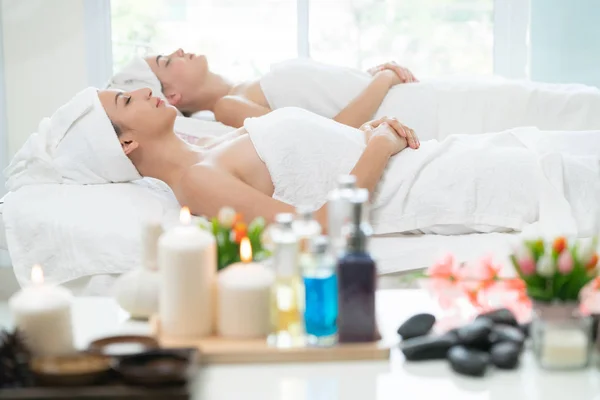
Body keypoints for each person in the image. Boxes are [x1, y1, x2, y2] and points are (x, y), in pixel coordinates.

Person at [7, 87, 599, 238]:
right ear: (125, 143)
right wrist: (376, 148)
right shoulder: (197, 182)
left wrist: (368, 134)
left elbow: (317, 156)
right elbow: (320, 233)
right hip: (456, 185)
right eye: (127, 101)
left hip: (468, 155)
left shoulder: (211, 141)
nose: (143, 92)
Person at [108, 49, 600, 139]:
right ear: (168, 94)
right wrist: (383, 79)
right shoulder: (227, 107)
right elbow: (332, 133)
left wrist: (376, 74)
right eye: (166, 62)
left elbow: (326, 97)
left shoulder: (245, 85)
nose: (178, 50)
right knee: (559, 110)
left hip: (426, 96)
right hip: (423, 114)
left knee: (558, 100)